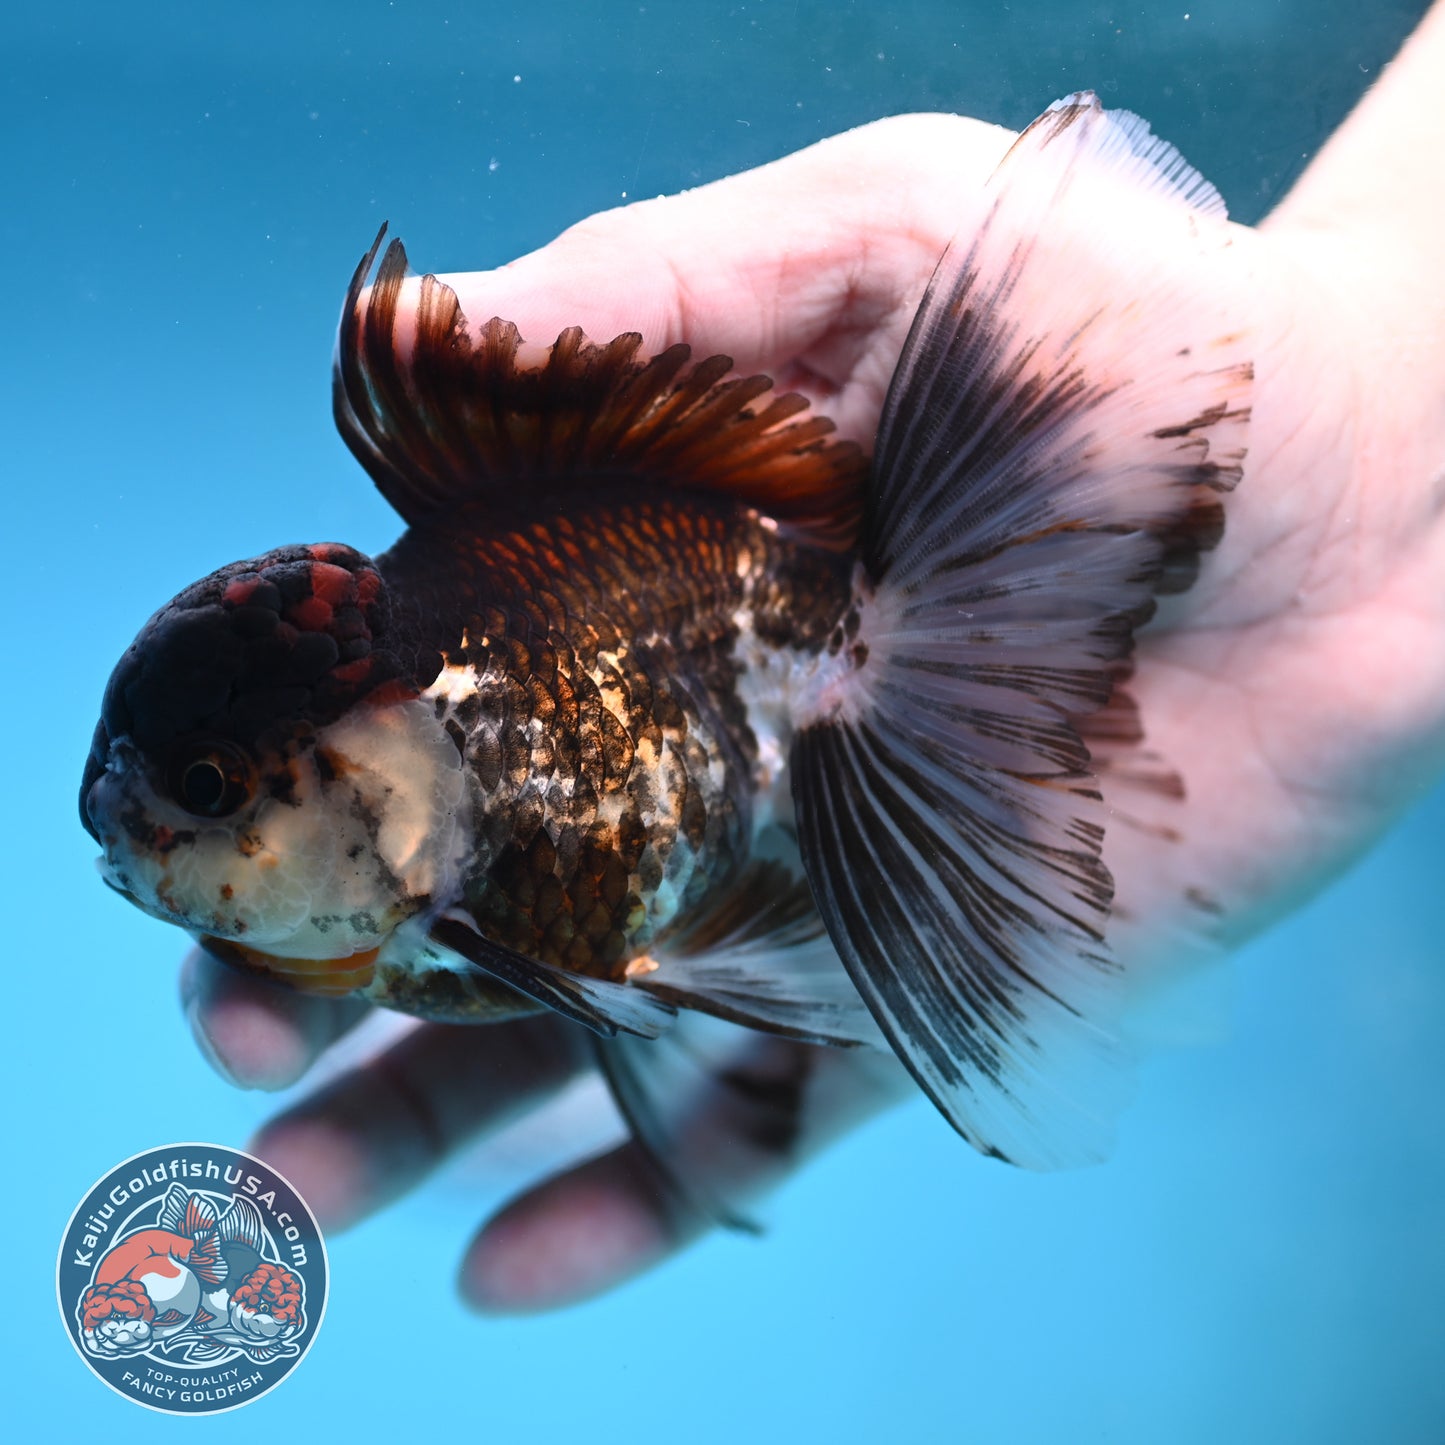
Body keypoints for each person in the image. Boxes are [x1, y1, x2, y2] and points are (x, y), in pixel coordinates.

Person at [179, 3, 1445, 1312]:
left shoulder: (444, 871)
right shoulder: (416, 900)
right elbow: (653, 986)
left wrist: (1385, 379)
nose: (153, 837)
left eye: (210, 789)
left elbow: (640, 985)